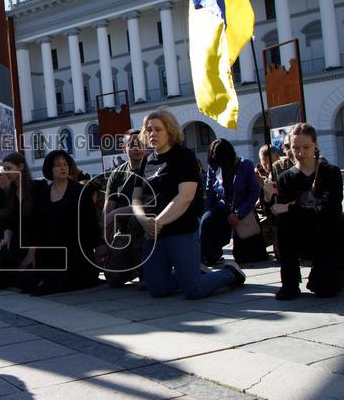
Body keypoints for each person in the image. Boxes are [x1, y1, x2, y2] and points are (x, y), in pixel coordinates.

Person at [131, 109, 245, 299]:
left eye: (158, 129)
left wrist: (157, 222)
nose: (152, 134)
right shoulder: (145, 162)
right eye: (149, 129)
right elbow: (136, 198)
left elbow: (185, 197)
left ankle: (230, 273)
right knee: (157, 289)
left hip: (181, 231)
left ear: (170, 131)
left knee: (193, 290)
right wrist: (144, 221)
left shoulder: (183, 156)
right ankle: (193, 273)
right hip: (153, 234)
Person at [270, 124, 344, 300]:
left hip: (330, 236)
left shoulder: (331, 173)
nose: (301, 152)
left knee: (324, 288)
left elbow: (328, 212)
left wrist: (291, 208)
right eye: (295, 148)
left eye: (306, 147)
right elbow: (278, 215)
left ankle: (333, 273)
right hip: (301, 235)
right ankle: (290, 282)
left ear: (315, 145)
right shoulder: (285, 179)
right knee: (283, 223)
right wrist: (269, 199)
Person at [18, 150, 101, 295]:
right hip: (50, 250)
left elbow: (91, 223)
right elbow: (37, 225)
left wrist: (99, 246)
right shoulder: (43, 193)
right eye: (57, 165)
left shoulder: (80, 191)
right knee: (25, 281)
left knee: (63, 282)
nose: (63, 168)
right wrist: (32, 252)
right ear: (50, 169)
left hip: (75, 250)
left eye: (65, 164)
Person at [200, 138, 261, 266]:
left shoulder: (246, 165)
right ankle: (207, 257)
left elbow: (253, 193)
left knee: (244, 257)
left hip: (241, 208)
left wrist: (239, 214)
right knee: (207, 221)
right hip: (222, 207)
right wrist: (208, 211)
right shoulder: (214, 167)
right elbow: (210, 190)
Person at [102, 129, 146, 287]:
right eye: (132, 144)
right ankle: (133, 265)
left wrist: (115, 213)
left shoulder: (152, 169)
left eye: (140, 143)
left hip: (149, 228)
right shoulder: (117, 174)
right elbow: (108, 208)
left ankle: (146, 272)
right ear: (124, 148)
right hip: (124, 231)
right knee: (113, 278)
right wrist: (106, 242)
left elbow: (146, 206)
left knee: (137, 220)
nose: (137, 146)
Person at [0, 151, 44, 272]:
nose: (6, 172)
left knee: (27, 282)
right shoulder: (8, 193)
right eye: (4, 169)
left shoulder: (38, 187)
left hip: (38, 242)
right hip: (18, 241)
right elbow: (8, 222)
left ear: (21, 167)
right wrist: (6, 238)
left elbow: (42, 223)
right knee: (2, 254)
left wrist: (32, 252)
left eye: (9, 168)